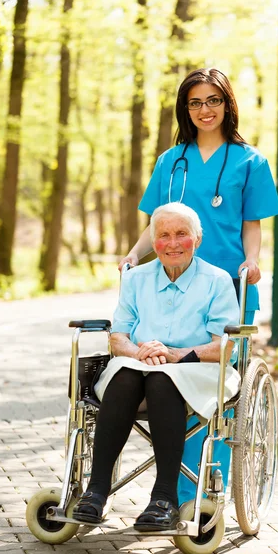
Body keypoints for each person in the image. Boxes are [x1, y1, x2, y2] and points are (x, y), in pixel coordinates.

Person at [118, 68, 278, 504]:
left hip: (229, 282)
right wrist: (136, 255)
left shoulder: (251, 162)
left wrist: (252, 260)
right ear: (184, 108)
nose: (204, 110)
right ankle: (175, 490)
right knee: (172, 380)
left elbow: (252, 225)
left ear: (227, 104)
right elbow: (153, 221)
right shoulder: (171, 161)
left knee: (216, 390)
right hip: (173, 283)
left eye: (213, 100)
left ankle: (205, 493)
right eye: (195, 102)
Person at [73, 202, 241, 531]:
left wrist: (174, 354)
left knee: (162, 381)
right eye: (163, 235)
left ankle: (164, 498)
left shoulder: (217, 281)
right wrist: (139, 353)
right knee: (124, 377)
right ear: (153, 241)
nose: (173, 243)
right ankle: (95, 491)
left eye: (182, 234)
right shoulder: (136, 279)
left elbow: (224, 346)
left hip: (196, 371)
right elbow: (118, 337)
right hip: (137, 367)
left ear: (198, 239)